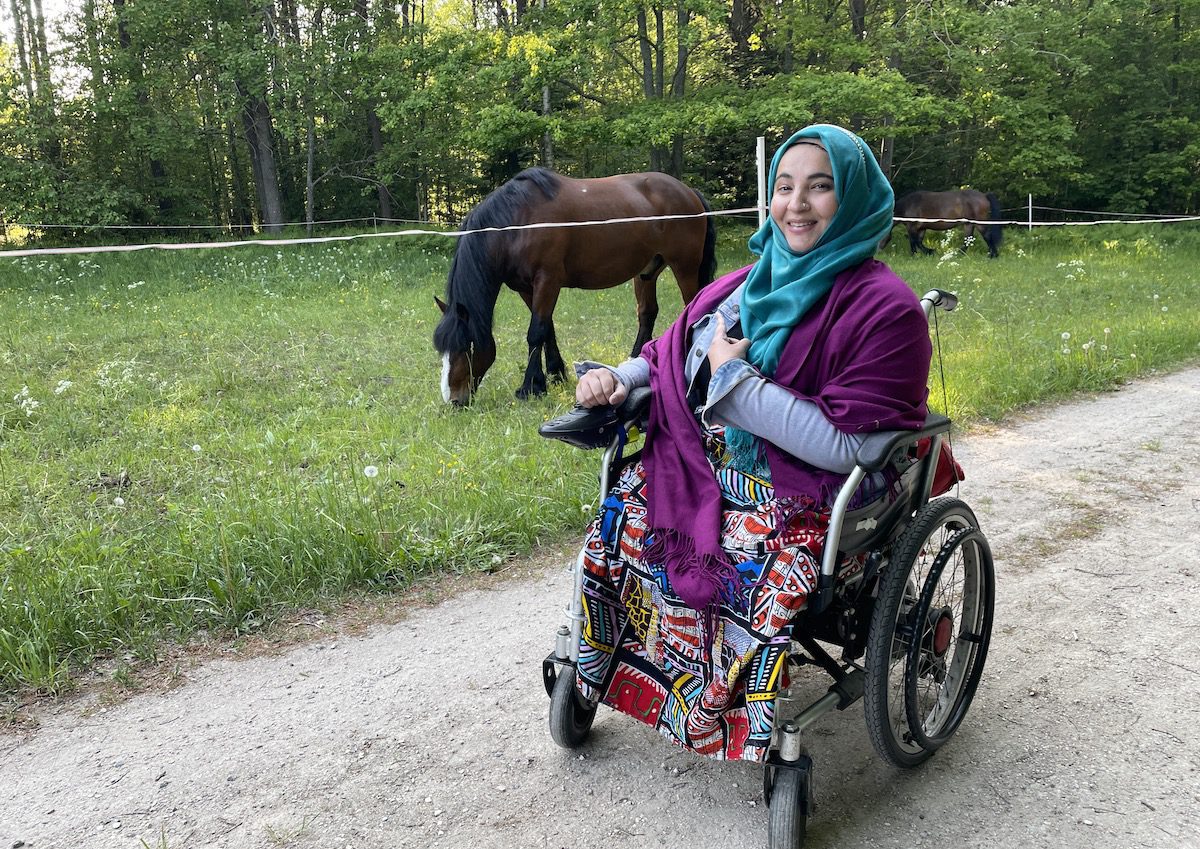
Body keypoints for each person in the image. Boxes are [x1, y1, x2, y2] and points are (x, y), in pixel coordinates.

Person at [570, 124, 933, 762]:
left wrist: (737, 386)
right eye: (784, 187)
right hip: (721, 470)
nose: (796, 203)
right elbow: (673, 351)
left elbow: (849, 445)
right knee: (620, 519)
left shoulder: (888, 310)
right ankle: (603, 670)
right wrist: (618, 379)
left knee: (753, 571)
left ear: (852, 201)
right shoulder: (751, 280)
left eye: (820, 188)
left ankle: (723, 715)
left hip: (813, 495)